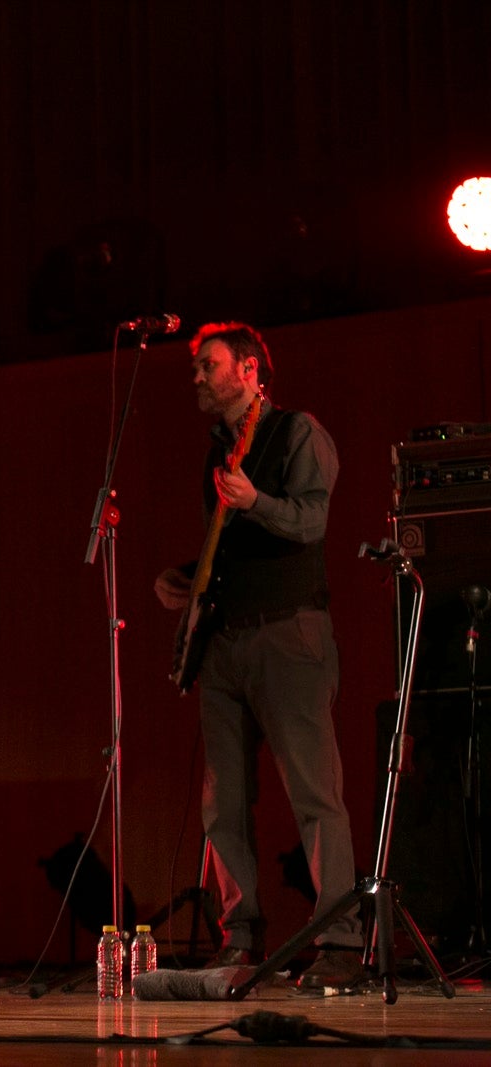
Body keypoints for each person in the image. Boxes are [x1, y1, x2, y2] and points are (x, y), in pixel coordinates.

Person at [154, 322, 365, 990]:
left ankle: (340, 938)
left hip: (287, 633)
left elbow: (310, 521)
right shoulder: (217, 449)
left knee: (313, 791)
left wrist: (257, 500)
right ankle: (239, 938)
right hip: (228, 641)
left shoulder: (297, 431)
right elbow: (239, 547)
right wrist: (188, 578)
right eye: (194, 366)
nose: (195, 375)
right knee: (224, 802)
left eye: (206, 364)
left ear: (248, 369)